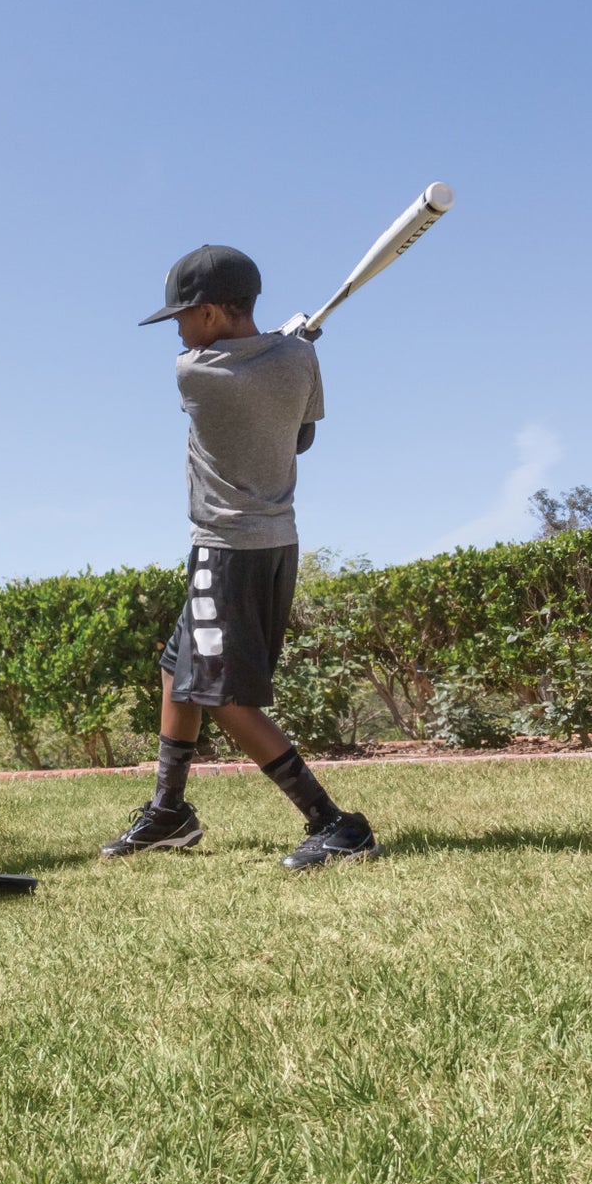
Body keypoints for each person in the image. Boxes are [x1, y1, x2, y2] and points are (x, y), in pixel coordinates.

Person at [101, 243, 378, 872]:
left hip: (227, 549)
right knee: (178, 669)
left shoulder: (194, 374)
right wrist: (290, 343)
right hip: (276, 543)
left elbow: (231, 370)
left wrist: (283, 342)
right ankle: (169, 809)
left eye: (184, 313)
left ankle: (334, 823)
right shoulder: (300, 360)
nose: (177, 327)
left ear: (216, 314)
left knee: (223, 695)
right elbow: (300, 437)